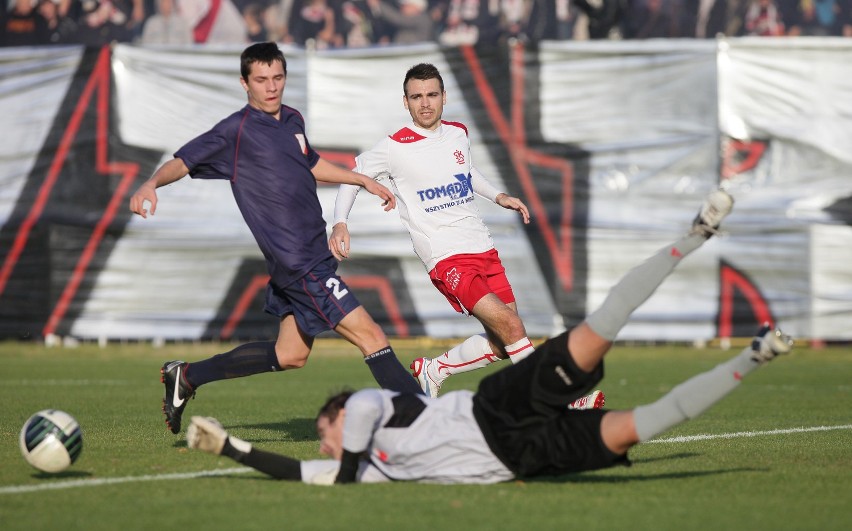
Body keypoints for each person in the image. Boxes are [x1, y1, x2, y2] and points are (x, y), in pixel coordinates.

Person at [187, 189, 796, 484]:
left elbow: (327, 469)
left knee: (601, 325)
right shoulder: (361, 467)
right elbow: (300, 475)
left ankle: (693, 235)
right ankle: (758, 355)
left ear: (341, 413)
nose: (322, 446)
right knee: (649, 421)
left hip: (498, 406)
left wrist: (245, 450)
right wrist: (230, 449)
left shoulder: (366, 411)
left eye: (323, 433)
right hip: (523, 459)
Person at [128, 42, 423, 434]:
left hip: (307, 258)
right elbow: (183, 161)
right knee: (371, 335)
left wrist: (361, 178)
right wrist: (151, 184)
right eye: (262, 80)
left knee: (290, 355)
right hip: (300, 264)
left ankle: (188, 376)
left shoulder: (293, 120)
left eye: (278, 78)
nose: (272, 87)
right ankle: (427, 422)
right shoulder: (236, 131)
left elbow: (311, 163)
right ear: (244, 83)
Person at [329, 63, 559, 401]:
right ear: (405, 102)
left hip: (483, 248)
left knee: (502, 341)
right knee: (513, 328)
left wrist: (499, 196)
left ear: (444, 97)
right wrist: (339, 222)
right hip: (446, 256)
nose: (425, 103)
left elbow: (465, 169)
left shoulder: (458, 133)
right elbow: (353, 177)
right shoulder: (394, 146)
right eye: (416, 96)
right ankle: (556, 404)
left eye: (432, 95)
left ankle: (434, 371)